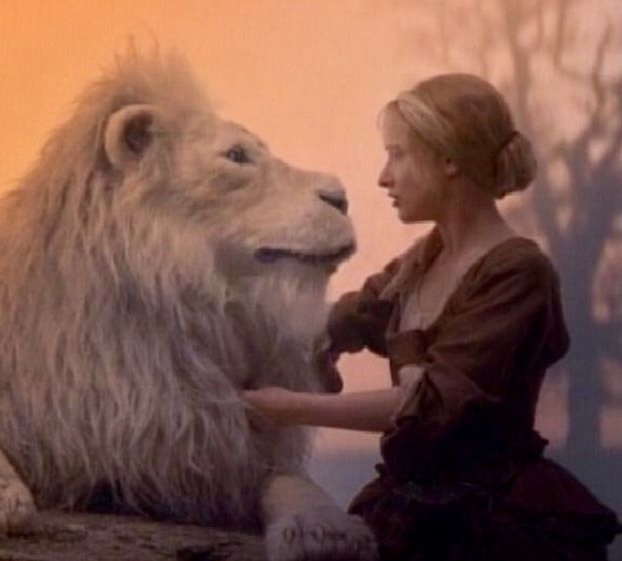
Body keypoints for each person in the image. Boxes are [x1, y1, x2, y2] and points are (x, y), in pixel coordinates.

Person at [243, 73, 621, 560]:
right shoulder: (420, 262)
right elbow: (337, 322)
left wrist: (287, 407)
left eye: (398, 153)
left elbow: (430, 406)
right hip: (408, 511)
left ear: (447, 159)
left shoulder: (519, 273)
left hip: (493, 527)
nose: (384, 176)